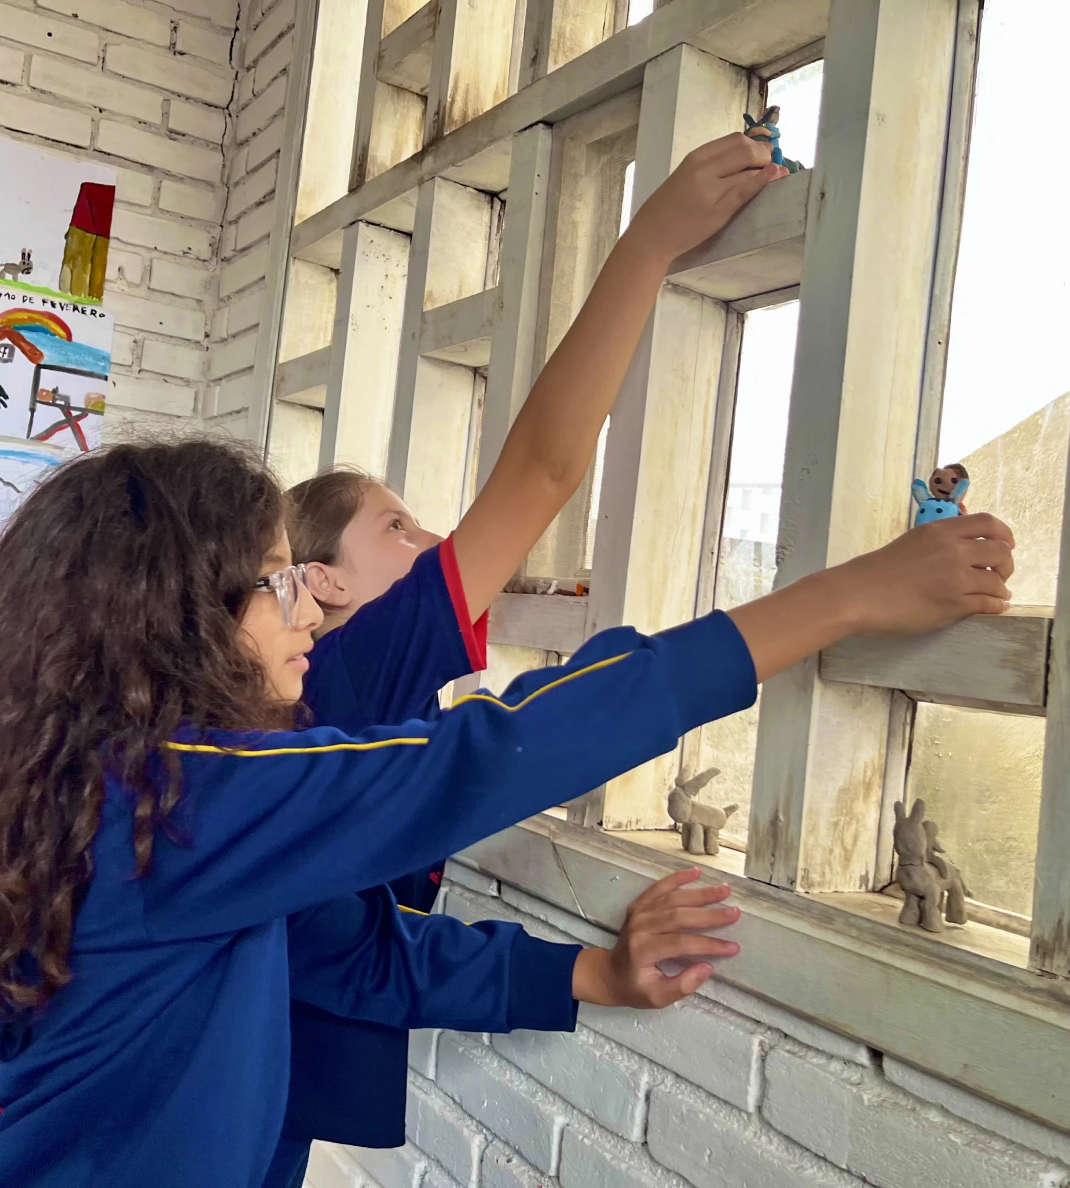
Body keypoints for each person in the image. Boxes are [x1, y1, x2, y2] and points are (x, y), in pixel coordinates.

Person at [0, 434, 1012, 1188]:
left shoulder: (100, 791)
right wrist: (844, 599)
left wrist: (590, 975)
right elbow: (486, 754)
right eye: (276, 581)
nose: (305, 611)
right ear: (170, 613)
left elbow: (347, 951)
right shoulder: (176, 802)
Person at [276, 130, 800, 1178]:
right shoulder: (352, 664)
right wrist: (646, 246)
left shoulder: (333, 710)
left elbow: (368, 948)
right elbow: (544, 471)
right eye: (396, 528)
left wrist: (593, 974)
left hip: (273, 1081)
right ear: (320, 580)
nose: (432, 541)